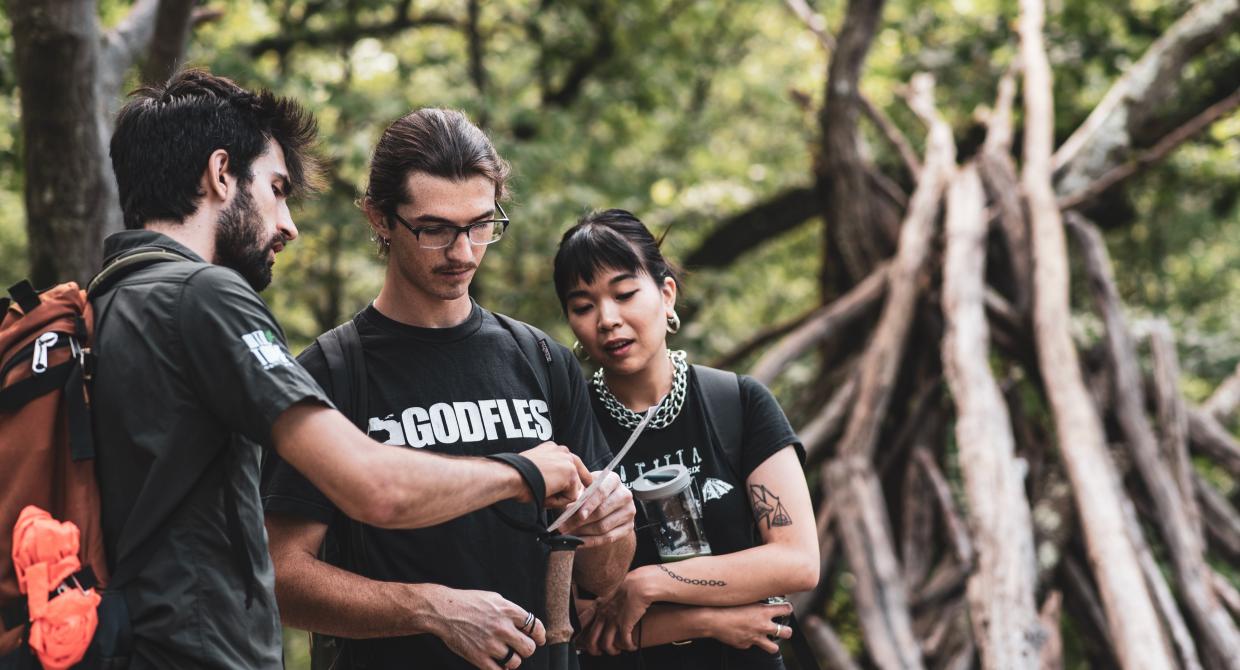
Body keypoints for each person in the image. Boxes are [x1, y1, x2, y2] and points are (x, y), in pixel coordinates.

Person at [95, 70, 592, 670]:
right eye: (277, 188)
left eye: (481, 226)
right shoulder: (205, 296)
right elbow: (372, 487)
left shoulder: (104, 299)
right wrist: (525, 474)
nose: (288, 223)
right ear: (221, 174)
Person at [261, 108, 636, 670]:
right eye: (434, 230)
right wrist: (429, 609)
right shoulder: (331, 372)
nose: (462, 253)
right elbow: (280, 576)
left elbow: (601, 579)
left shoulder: (541, 359)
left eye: (481, 225)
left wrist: (610, 528)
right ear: (379, 218)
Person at [551, 210, 820, 668]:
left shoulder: (737, 404)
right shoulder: (569, 430)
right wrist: (710, 622)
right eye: (583, 306)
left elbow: (797, 562)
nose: (608, 319)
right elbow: (577, 621)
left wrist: (650, 582)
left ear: (667, 294)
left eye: (625, 293)